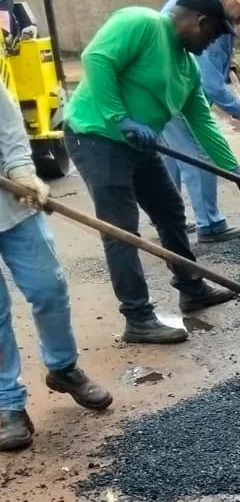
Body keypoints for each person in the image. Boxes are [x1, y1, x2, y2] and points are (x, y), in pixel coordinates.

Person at [64, 0, 240, 345]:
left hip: (141, 144)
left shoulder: (187, 68)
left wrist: (236, 171)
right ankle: (138, 317)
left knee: (170, 209)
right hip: (96, 136)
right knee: (121, 229)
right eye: (213, 35)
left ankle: (191, 287)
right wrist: (120, 117)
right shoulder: (141, 23)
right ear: (198, 22)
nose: (211, 45)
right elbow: (96, 58)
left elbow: (203, 123)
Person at [0, 81, 112, 451]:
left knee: (48, 287)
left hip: (12, 206)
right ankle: (8, 404)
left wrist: (20, 170)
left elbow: (8, 120)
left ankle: (63, 368)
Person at [159, 0, 240, 243]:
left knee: (173, 155)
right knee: (198, 154)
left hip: (168, 85)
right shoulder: (206, 14)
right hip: (173, 89)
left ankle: (167, 220)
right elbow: (211, 84)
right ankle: (210, 224)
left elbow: (217, 51)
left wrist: (226, 62)